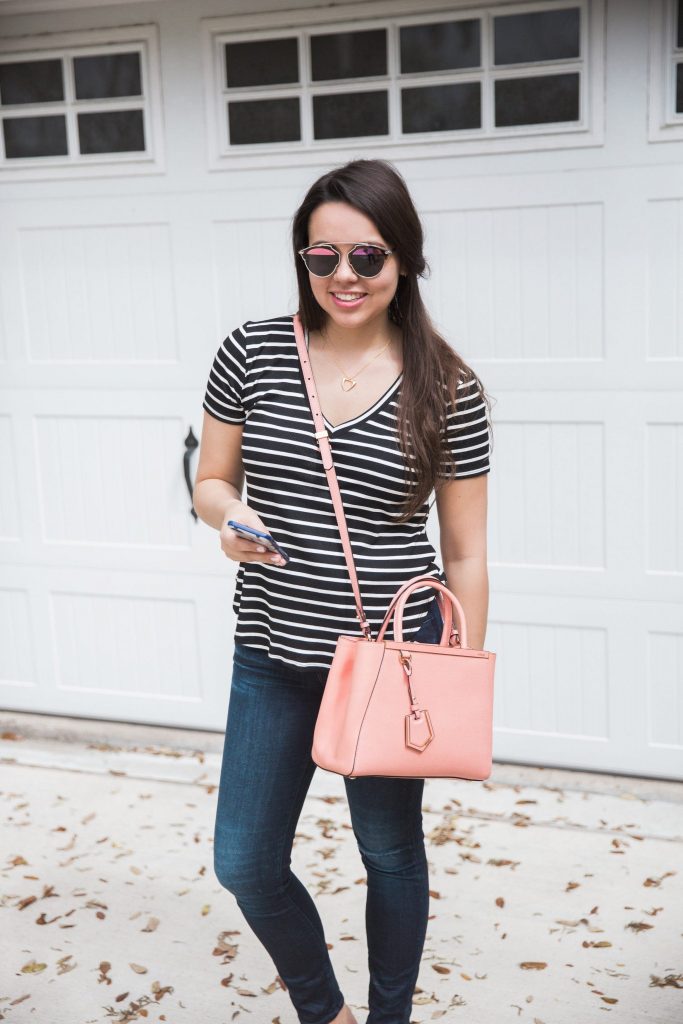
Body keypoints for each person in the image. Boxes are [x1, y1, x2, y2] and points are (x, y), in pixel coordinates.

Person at [193, 158, 493, 1024]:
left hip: (393, 664)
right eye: (322, 258)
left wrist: (456, 670)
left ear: (403, 259)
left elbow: (465, 551)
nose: (344, 277)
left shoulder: (448, 388)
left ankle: (388, 1017)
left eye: (365, 258)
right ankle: (326, 1013)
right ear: (302, 260)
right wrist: (229, 518)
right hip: (274, 654)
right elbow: (211, 479)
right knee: (245, 860)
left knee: (390, 852)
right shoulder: (252, 351)